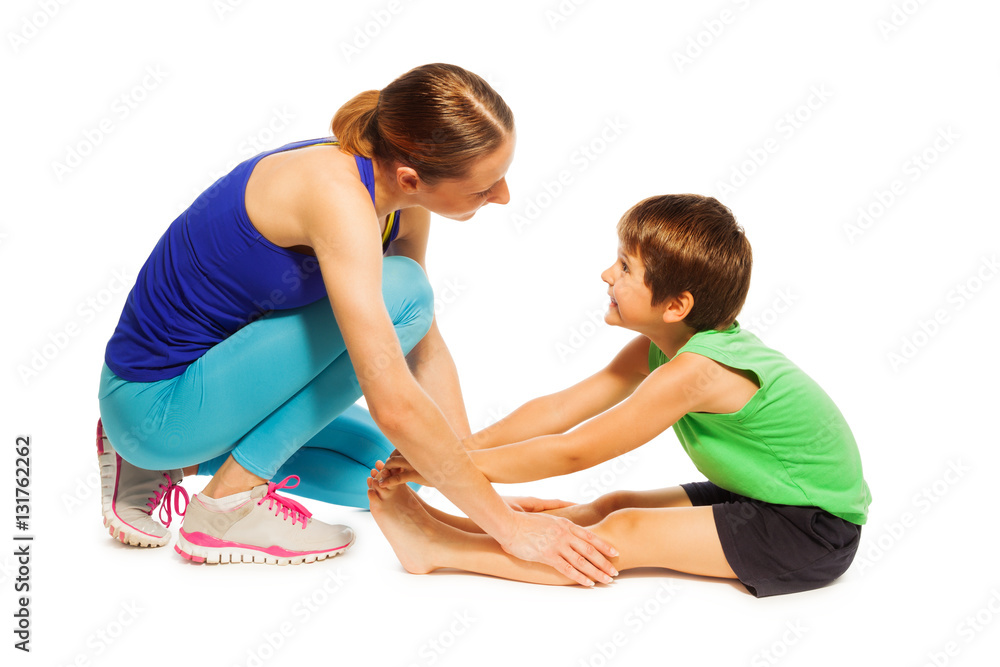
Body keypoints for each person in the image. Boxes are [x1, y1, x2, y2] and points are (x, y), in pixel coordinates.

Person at [95, 63, 618, 582]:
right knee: (407, 291)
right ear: (413, 176)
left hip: (218, 401)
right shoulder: (336, 197)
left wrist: (479, 484)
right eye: (485, 187)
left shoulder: (397, 187)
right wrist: (509, 530)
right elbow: (392, 389)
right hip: (158, 405)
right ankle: (225, 508)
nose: (503, 196)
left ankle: (168, 467)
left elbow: (421, 343)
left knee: (404, 477)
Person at [371, 193, 872, 597]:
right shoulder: (661, 347)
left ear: (676, 305)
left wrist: (441, 467)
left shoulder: (700, 368)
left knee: (625, 529)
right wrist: (457, 453)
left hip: (812, 530)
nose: (608, 275)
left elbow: (575, 450)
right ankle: (460, 523)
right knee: (615, 502)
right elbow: (559, 410)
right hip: (762, 497)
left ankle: (437, 548)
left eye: (626, 267)